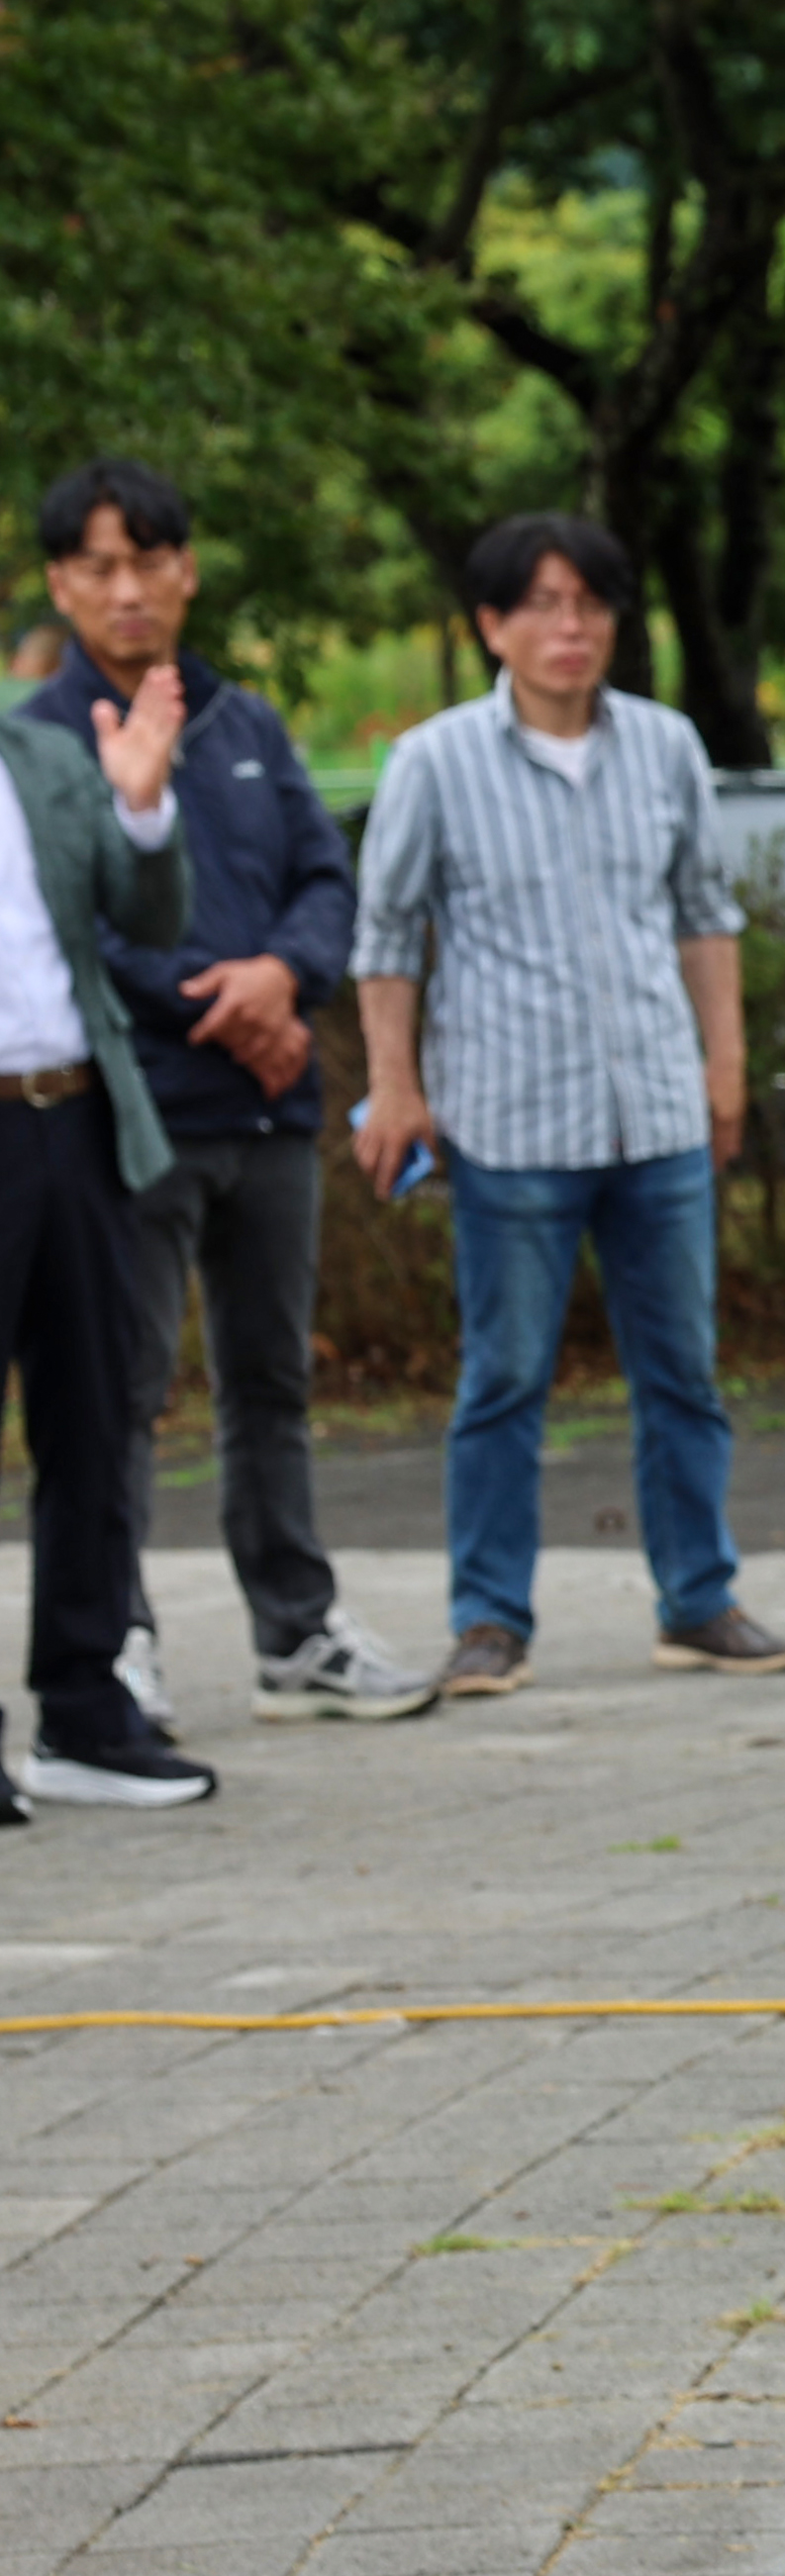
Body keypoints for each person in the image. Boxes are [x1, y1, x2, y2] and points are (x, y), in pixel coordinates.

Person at [347, 513, 785, 1696]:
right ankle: (491, 1619)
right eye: (542, 604)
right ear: (492, 623)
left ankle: (698, 1600)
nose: (569, 626)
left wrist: (724, 1063)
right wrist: (395, 1084)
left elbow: (706, 912)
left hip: (654, 1113)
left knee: (684, 1372)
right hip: (508, 1122)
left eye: (590, 603)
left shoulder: (664, 747)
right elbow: (386, 936)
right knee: (502, 1378)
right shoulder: (433, 761)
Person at [28, 463, 441, 1734]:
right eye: (98, 565)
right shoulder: (41, 741)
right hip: (136, 1114)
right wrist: (230, 1002)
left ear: (188, 571)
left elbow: (329, 876)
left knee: (270, 1383)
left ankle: (296, 1628)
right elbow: (71, 924)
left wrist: (282, 976)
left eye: (150, 560)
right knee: (119, 1392)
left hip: (268, 1115)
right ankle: (120, 1644)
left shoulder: (248, 725)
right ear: (58, 583)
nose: (128, 587)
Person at [0, 632, 200, 1819]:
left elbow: (154, 915)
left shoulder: (45, 755)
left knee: (93, 1421)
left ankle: (83, 1711)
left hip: (70, 1117)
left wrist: (139, 803)